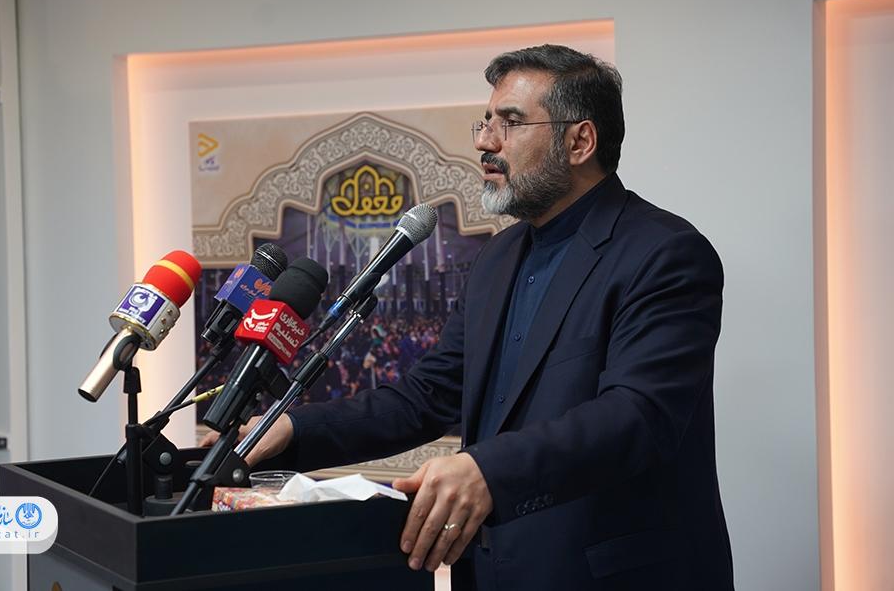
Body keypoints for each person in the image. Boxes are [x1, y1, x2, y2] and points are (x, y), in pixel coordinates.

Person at [208, 45, 734, 590]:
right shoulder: (497, 258)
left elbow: (638, 416)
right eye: (485, 122)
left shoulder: (663, 253)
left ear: (580, 141)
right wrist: (294, 429)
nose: (485, 142)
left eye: (511, 123)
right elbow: (429, 395)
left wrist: (488, 471)